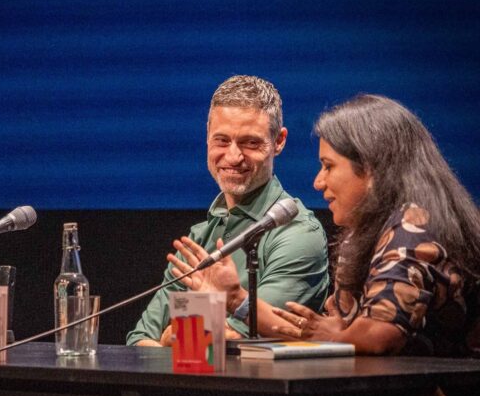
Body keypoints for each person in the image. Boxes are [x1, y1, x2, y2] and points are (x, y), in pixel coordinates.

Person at [176, 94, 480, 356]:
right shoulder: (362, 235)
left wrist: (333, 334)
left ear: (372, 169)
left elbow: (376, 337)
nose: (318, 182)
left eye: (328, 166)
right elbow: (321, 332)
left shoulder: (413, 227)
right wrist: (236, 300)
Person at [126, 75, 329, 346]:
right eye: (222, 141)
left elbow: (236, 338)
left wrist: (175, 335)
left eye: (250, 143)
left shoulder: (298, 235)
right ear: (207, 136)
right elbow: (139, 341)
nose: (233, 157)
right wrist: (185, 335)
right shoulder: (200, 237)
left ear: (279, 141)